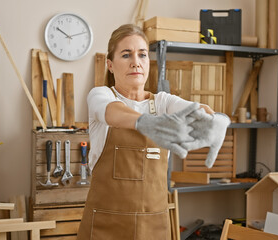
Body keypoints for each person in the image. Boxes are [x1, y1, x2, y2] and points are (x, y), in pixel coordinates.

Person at [77, 24, 229, 240]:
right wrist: (144, 122)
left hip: (154, 225)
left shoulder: (164, 102)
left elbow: (197, 110)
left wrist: (219, 120)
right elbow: (112, 112)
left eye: (142, 55)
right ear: (110, 65)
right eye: (126, 55)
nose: (136, 62)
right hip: (105, 226)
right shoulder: (101, 95)